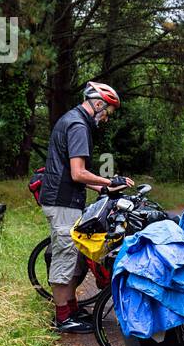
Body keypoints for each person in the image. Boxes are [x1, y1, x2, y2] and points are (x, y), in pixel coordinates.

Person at [39, 81, 134, 332]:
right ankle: (62, 318)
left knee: (75, 256)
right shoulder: (79, 125)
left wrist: (103, 189)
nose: (106, 118)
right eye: (108, 112)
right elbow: (78, 173)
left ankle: (72, 309)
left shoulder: (72, 120)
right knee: (65, 256)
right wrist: (109, 181)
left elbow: (75, 175)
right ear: (98, 103)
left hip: (65, 199)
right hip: (62, 202)